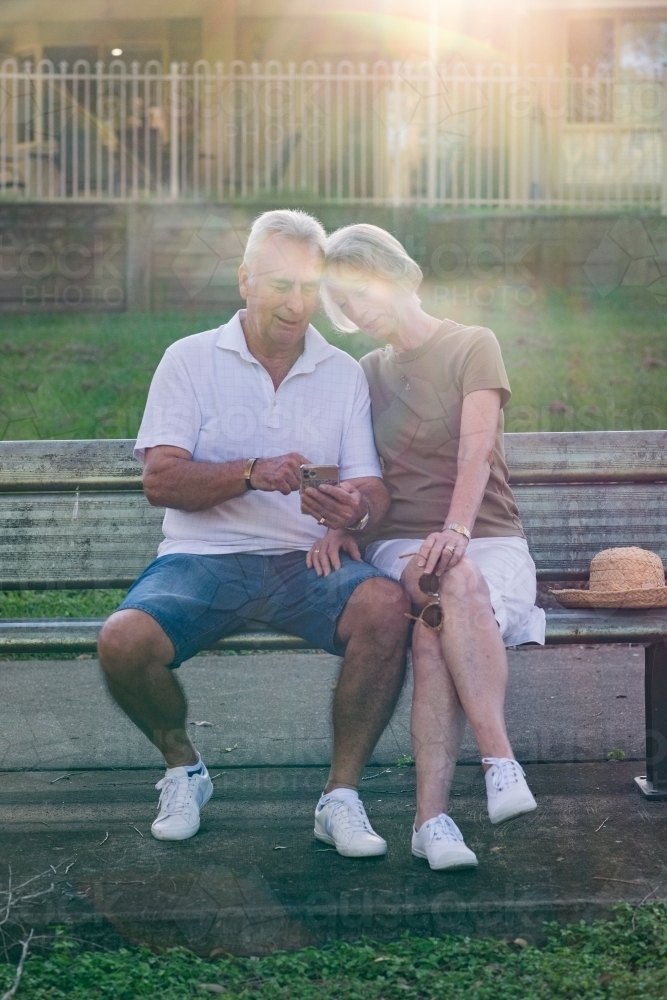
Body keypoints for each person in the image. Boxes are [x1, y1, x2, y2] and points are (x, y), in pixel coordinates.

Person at [97, 210, 410, 857]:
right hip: (202, 557)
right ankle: (182, 769)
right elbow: (160, 479)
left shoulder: (341, 372)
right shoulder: (189, 359)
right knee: (123, 640)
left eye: (306, 287)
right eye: (278, 284)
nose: (295, 304)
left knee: (386, 606)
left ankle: (340, 797)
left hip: (305, 561)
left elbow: (372, 487)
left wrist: (352, 510)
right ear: (244, 280)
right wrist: (249, 473)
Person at [308, 224, 545, 871]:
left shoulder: (472, 345)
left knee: (433, 623)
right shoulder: (365, 372)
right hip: (402, 546)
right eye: (343, 303)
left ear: (395, 273)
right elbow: (360, 470)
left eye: (360, 290)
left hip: (486, 535)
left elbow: (475, 451)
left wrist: (458, 530)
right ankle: (500, 763)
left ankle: (431, 823)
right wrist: (344, 520)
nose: (355, 309)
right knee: (446, 580)